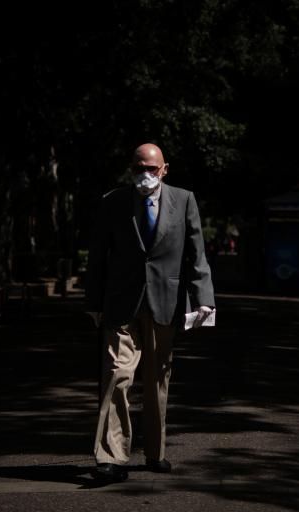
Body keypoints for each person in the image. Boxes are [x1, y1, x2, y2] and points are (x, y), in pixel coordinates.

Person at [86, 143, 215, 483]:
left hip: (165, 302)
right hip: (120, 304)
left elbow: (196, 253)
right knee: (116, 375)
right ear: (132, 168)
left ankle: (155, 452)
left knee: (157, 380)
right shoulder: (112, 201)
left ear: (165, 169)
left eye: (152, 169)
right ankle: (111, 457)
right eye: (139, 168)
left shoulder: (184, 200)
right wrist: (93, 303)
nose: (146, 175)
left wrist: (204, 297)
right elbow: (98, 255)